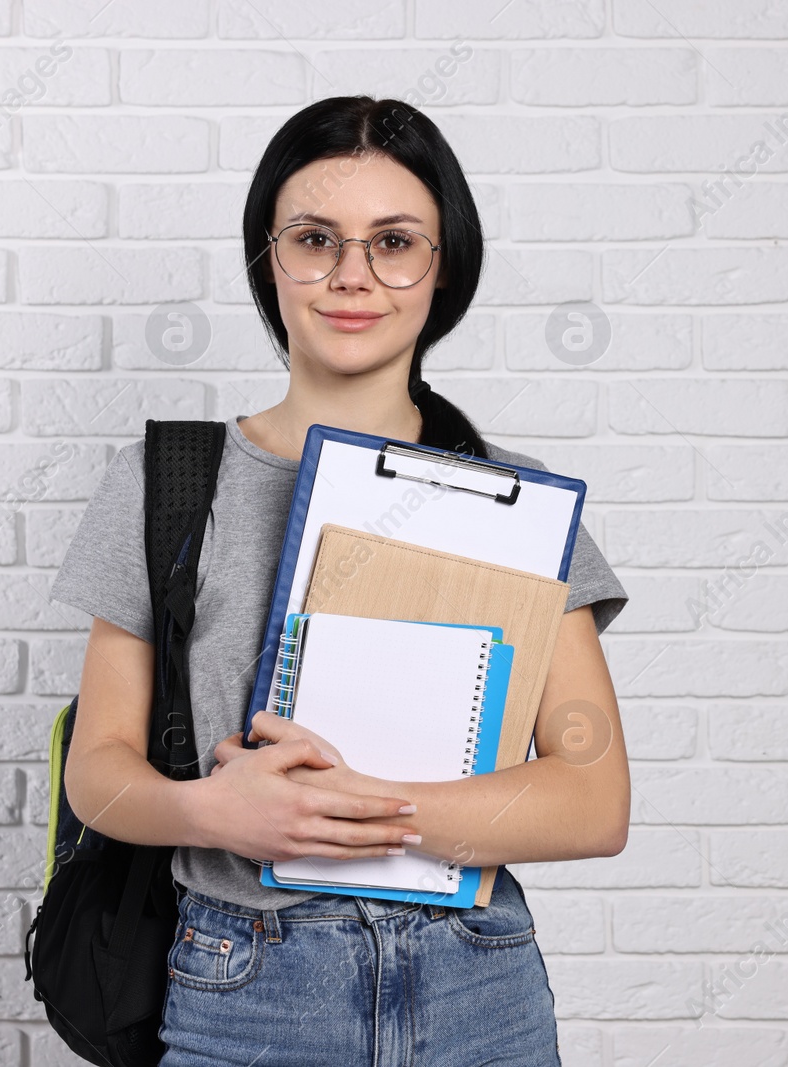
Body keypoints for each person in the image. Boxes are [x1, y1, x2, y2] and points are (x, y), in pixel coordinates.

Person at [49, 95, 631, 1067]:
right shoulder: (168, 485)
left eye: (394, 241)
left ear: (442, 268)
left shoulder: (517, 501)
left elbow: (590, 799)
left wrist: (353, 806)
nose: (352, 274)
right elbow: (97, 770)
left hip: (476, 981)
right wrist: (209, 810)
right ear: (268, 256)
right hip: (245, 982)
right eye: (316, 237)